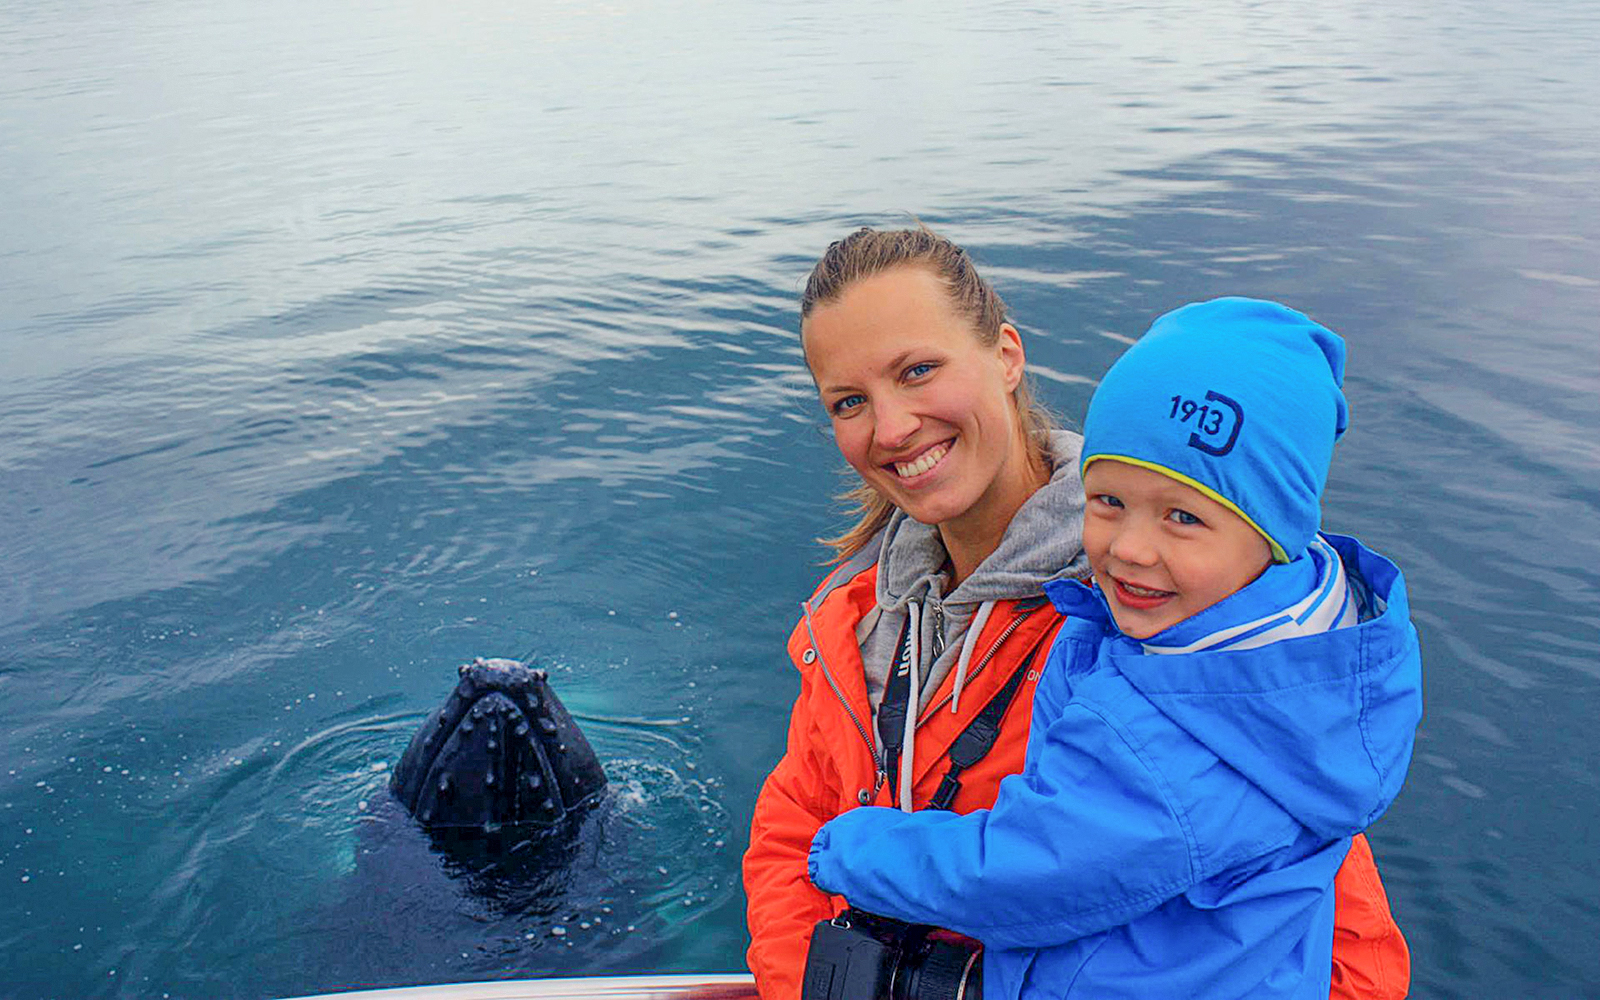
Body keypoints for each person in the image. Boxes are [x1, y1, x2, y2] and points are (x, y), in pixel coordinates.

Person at [742, 228, 1411, 1000]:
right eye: (850, 402)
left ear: (1006, 354)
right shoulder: (853, 611)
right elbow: (794, 823)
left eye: (918, 371)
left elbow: (1333, 918)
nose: (890, 428)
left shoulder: (1170, 627)